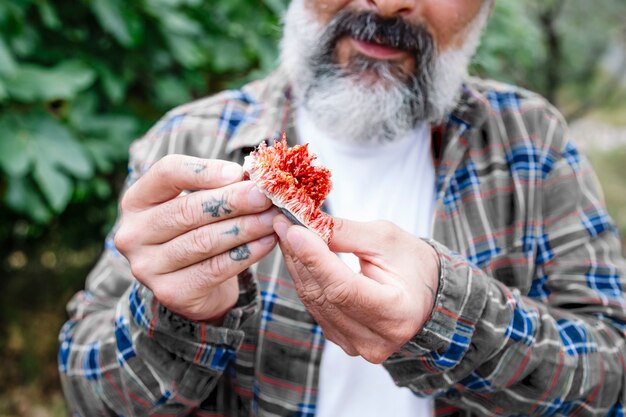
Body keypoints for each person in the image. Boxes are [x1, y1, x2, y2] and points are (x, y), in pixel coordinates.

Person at [59, 0, 626, 416]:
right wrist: (181, 317)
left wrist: (454, 317)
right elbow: (91, 392)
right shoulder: (187, 141)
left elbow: (610, 377)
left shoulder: (533, 144)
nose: (386, 3)